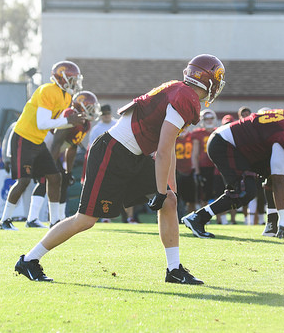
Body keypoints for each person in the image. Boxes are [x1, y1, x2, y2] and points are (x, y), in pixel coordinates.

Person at [14, 54, 226, 284]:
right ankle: (29, 260)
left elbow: (168, 146)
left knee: (170, 202)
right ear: (209, 80)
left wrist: (168, 190)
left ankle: (174, 269)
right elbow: (163, 150)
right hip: (113, 152)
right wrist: (161, 190)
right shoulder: (185, 97)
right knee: (85, 219)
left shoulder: (179, 90)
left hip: (132, 153)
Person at [182, 100, 284, 239]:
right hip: (226, 144)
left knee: (270, 176)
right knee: (245, 191)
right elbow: (279, 179)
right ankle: (198, 218)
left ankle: (271, 225)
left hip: (237, 145)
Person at [0, 61, 85, 230]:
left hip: (37, 141)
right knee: (23, 181)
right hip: (24, 137)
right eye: (72, 79)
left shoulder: (66, 96)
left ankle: (54, 222)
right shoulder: (47, 90)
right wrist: (69, 121)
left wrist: (72, 124)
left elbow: (53, 125)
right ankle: (5, 220)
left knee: (55, 177)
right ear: (63, 78)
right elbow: (43, 123)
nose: (75, 83)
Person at [25, 90, 99, 228]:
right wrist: (50, 166)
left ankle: (60, 218)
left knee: (63, 180)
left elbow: (72, 147)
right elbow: (55, 143)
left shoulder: (85, 124)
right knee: (45, 180)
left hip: (55, 150)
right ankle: (32, 218)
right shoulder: (70, 115)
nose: (93, 111)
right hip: (44, 147)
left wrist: (68, 171)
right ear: (81, 107)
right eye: (90, 107)